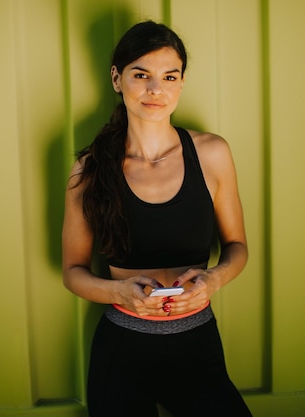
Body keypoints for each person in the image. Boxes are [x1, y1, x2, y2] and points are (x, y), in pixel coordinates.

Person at [62, 20, 252, 417]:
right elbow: (73, 271)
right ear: (117, 79)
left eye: (169, 76)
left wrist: (213, 279)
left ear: (181, 83)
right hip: (123, 347)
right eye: (141, 75)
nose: (155, 89)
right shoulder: (90, 169)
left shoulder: (212, 153)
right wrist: (117, 292)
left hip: (196, 340)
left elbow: (237, 247)